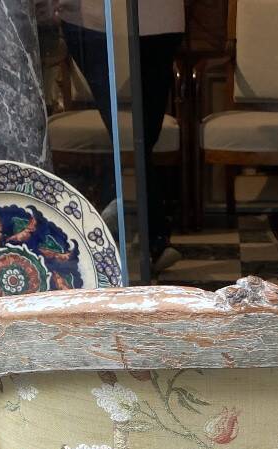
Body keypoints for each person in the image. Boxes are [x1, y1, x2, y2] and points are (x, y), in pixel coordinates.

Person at [52, 0, 185, 270]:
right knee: (127, 135)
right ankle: (145, 235)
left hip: (158, 19)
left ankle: (113, 227)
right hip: (91, 19)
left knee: (143, 134)